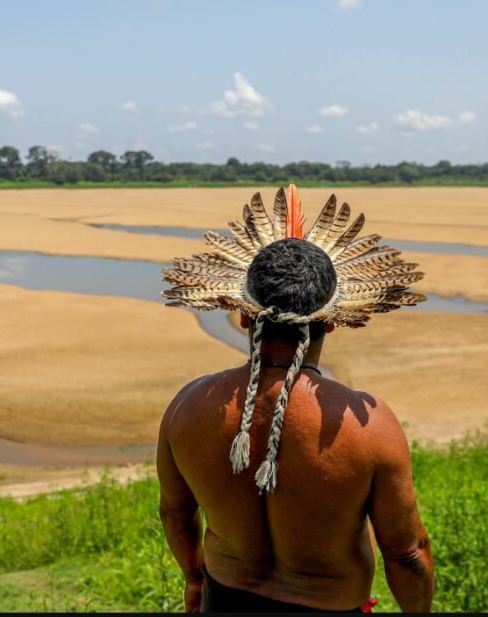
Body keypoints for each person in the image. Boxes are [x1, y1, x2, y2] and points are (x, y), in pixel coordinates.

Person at [158, 186, 434, 613]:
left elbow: (176, 515)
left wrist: (195, 579)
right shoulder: (371, 428)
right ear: (333, 321)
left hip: (225, 598)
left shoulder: (188, 406)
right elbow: (408, 553)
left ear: (244, 314)